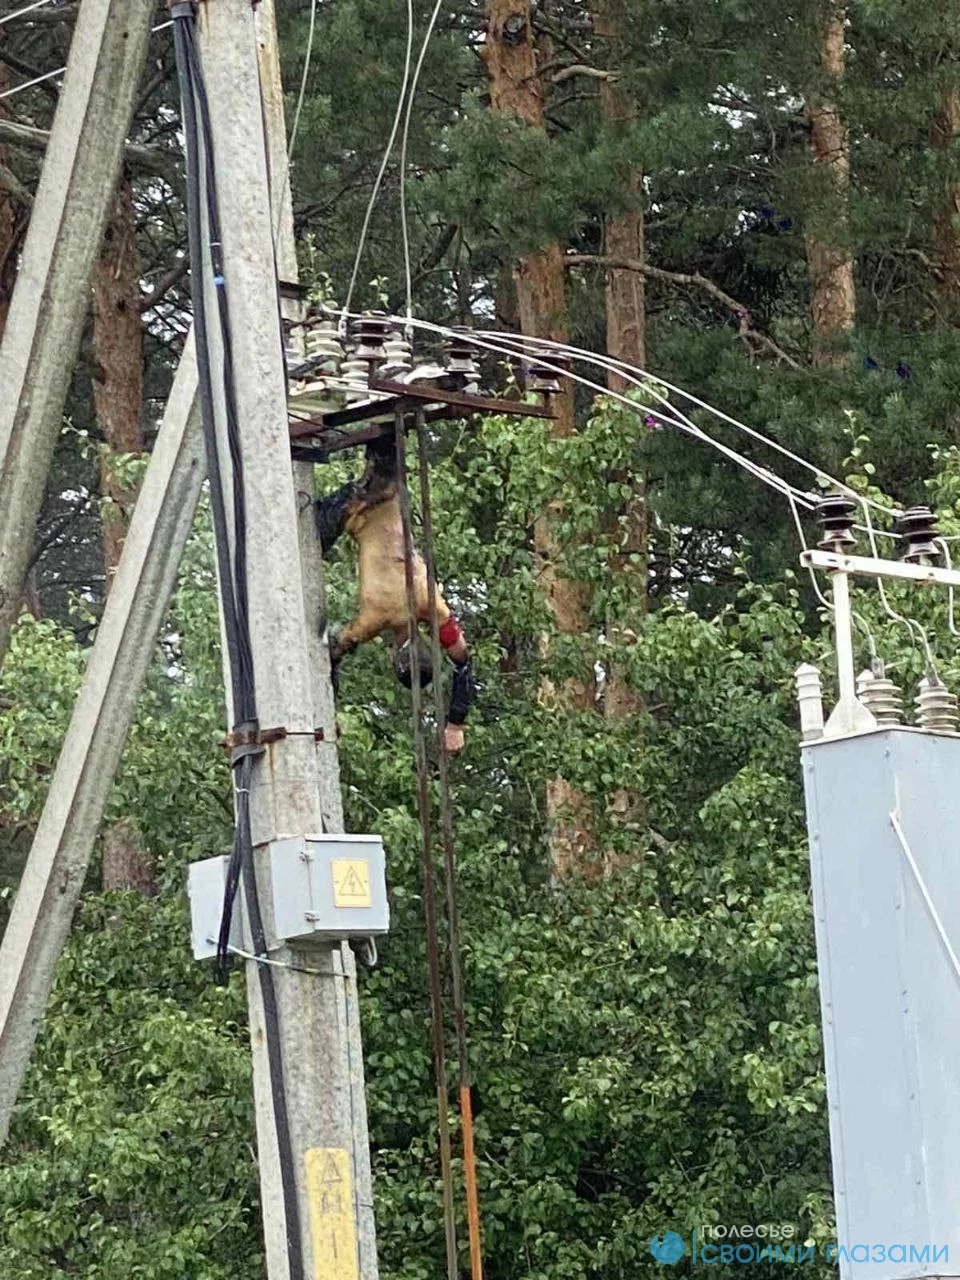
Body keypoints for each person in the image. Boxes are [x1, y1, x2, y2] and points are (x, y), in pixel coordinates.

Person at [314, 434, 475, 752]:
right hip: (359, 505)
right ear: (392, 655)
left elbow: (464, 662)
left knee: (384, 432)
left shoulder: (433, 606)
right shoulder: (374, 620)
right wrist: (326, 713)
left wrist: (458, 722)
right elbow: (332, 652)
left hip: (393, 490)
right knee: (299, 547)